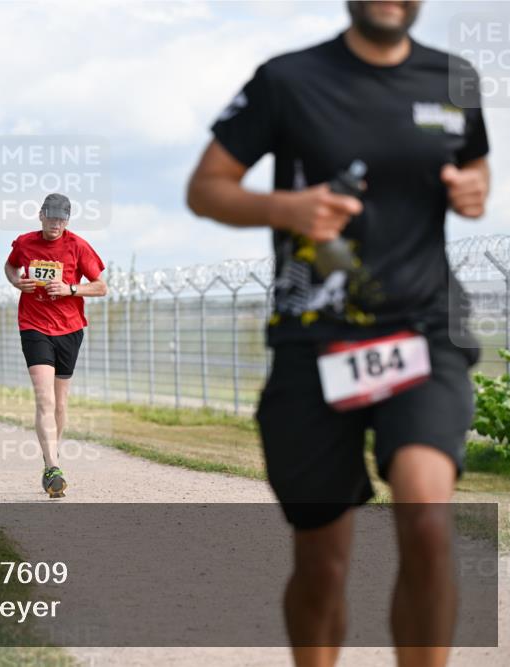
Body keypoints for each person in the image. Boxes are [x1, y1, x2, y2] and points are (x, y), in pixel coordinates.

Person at [186, 2, 490, 665]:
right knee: (322, 559)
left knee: (427, 521)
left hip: (422, 331)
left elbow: (476, 166)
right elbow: (206, 188)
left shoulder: (455, 79)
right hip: (313, 341)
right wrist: (285, 206)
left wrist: (473, 188)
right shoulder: (287, 79)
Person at [4, 193, 107, 498]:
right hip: (34, 326)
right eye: (51, 217)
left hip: (70, 329)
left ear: (67, 220)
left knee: (60, 404)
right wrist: (15, 282)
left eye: (61, 219)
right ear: (41, 215)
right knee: (45, 399)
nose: (55, 224)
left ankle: (53, 457)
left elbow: (101, 287)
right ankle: (51, 466)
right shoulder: (24, 243)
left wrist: (70, 288)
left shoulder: (78, 246)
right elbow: (10, 267)